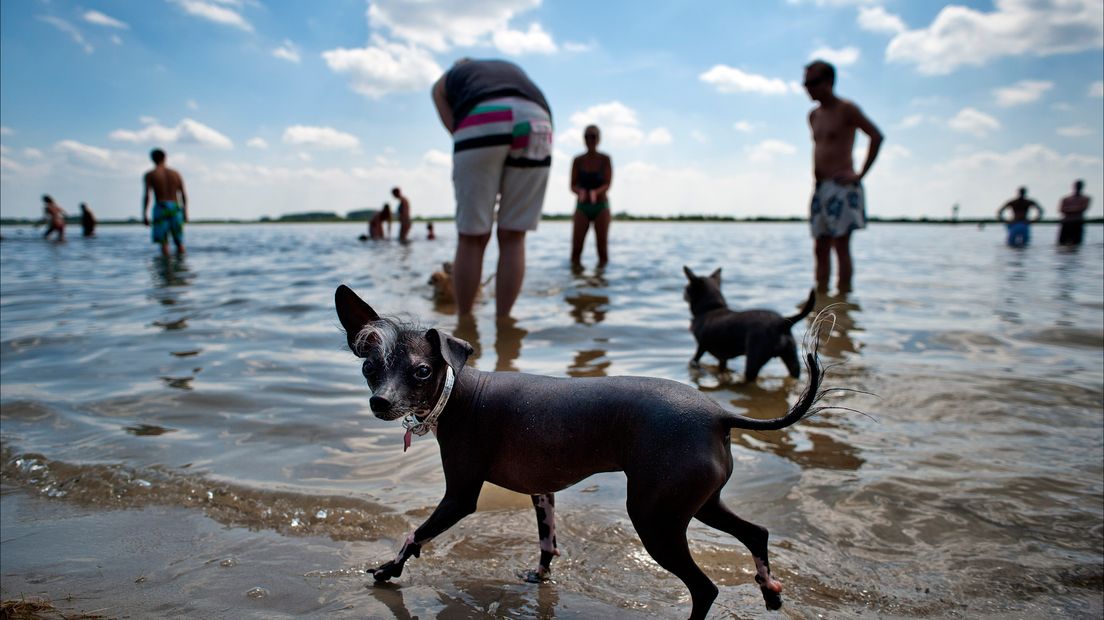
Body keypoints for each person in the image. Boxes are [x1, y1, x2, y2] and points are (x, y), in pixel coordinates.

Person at [431, 58, 553, 318]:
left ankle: (465, 323)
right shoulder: (509, 68)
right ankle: (504, 323)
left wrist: (463, 136)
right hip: (537, 122)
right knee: (514, 236)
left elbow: (436, 93)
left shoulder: (454, 73)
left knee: (472, 238)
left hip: (482, 118)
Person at [804, 59, 883, 293]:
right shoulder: (813, 115)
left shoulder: (847, 109)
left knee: (841, 246)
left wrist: (859, 175)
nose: (807, 88)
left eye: (812, 82)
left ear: (829, 81)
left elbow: (876, 136)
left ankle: (842, 301)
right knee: (819, 246)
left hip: (843, 187)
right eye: (805, 83)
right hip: (820, 188)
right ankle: (822, 303)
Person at [570, 124, 613, 268]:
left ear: (599, 139)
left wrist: (596, 192)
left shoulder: (605, 159)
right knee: (576, 250)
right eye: (587, 136)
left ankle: (600, 282)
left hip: (601, 206)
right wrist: (580, 192)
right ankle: (577, 282)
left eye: (593, 136)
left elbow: (608, 183)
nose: (590, 140)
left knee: (602, 250)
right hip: (582, 207)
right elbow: (572, 185)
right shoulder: (578, 160)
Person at [142, 148, 188, 256]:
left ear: (152, 159)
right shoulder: (175, 173)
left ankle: (166, 268)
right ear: (165, 158)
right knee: (179, 241)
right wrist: (185, 211)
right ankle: (181, 265)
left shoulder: (150, 174)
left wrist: (144, 214)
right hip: (175, 207)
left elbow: (147, 195)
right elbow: (183, 194)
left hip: (161, 207)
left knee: (164, 242)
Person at [1057, 180, 1091, 246]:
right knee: (1061, 244)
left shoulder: (1086, 198)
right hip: (1066, 223)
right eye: (1076, 185)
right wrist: (1075, 208)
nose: (1077, 187)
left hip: (1077, 223)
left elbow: (1083, 209)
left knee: (1076, 244)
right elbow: (1061, 210)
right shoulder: (1066, 198)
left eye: (1079, 186)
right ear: (1073, 186)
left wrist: (1069, 209)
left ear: (1082, 187)